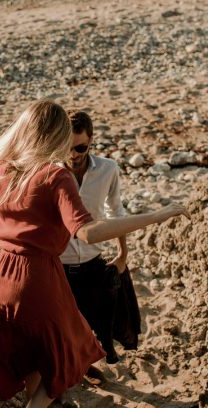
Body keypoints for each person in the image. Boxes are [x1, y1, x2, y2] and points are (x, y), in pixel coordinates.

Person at [0, 100, 189, 408]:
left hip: (2, 276)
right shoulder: (55, 176)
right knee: (76, 348)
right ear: (57, 135)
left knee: (32, 355)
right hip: (37, 277)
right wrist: (157, 216)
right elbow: (88, 233)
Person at [62, 110, 140, 365]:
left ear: (91, 141)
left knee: (105, 321)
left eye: (80, 147)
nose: (73, 154)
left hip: (93, 258)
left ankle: (96, 356)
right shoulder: (50, 173)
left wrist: (122, 255)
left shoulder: (108, 169)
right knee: (63, 328)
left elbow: (116, 212)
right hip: (57, 262)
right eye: (67, 147)